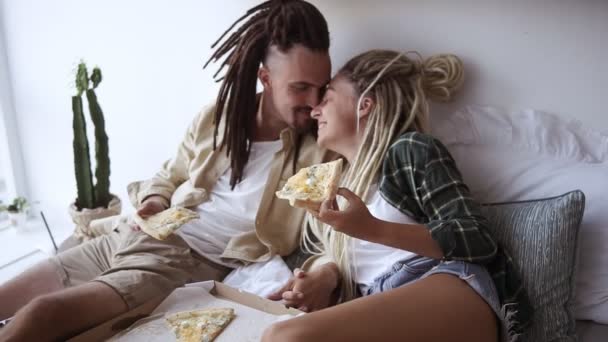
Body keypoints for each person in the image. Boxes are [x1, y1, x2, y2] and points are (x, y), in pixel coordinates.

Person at [0, 1, 332, 340]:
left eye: (323, 86)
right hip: (139, 232)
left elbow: (332, 235)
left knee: (40, 315)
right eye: (301, 88)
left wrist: (327, 273)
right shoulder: (218, 117)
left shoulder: (320, 151)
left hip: (177, 263)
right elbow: (171, 174)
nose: (315, 101)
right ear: (266, 78)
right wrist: (156, 200)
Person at [264, 50, 532, 342]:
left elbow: (478, 237)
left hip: (449, 286)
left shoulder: (410, 149)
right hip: (385, 295)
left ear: (364, 105)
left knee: (285, 337)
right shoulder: (342, 183)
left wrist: (372, 229)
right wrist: (326, 274)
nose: (315, 110)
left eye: (326, 98)